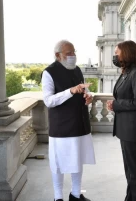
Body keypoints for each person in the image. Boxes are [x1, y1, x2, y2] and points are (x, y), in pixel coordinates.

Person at [42, 40, 95, 201]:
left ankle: (76, 194)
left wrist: (89, 96)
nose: (73, 56)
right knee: (58, 162)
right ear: (58, 55)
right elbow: (48, 101)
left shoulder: (77, 69)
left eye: (74, 52)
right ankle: (58, 197)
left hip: (80, 123)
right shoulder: (48, 73)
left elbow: (84, 90)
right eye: (68, 53)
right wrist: (70, 91)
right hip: (61, 126)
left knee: (77, 159)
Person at [107, 40, 136, 201]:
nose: (114, 56)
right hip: (126, 129)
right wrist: (115, 104)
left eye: (116, 53)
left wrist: (116, 104)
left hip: (134, 130)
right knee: (130, 170)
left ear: (126, 53)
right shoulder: (126, 72)